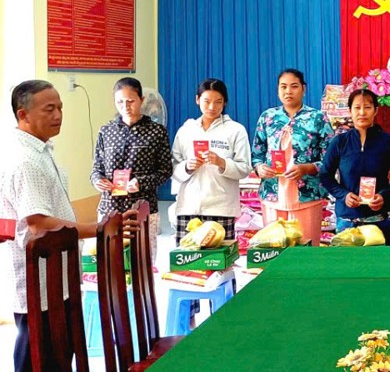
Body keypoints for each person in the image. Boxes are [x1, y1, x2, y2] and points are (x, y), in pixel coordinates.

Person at [1, 80, 135, 372]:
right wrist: (98, 228)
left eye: (60, 108)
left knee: (59, 354)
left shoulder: (40, 149)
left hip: (57, 276)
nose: (58, 115)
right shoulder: (24, 160)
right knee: (39, 355)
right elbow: (38, 224)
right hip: (40, 281)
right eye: (49, 109)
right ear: (23, 114)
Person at [91, 77, 172, 265]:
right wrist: (97, 180)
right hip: (110, 208)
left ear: (142, 100)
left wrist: (141, 182)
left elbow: (165, 171)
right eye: (120, 102)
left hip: (143, 207)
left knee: (143, 262)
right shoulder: (106, 131)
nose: (125, 107)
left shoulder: (156, 131)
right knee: (110, 261)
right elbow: (96, 168)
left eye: (130, 101)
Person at [170, 78, 252, 242]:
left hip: (221, 208)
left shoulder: (235, 130)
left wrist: (222, 163)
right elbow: (172, 167)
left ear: (225, 103)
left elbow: (245, 168)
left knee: (219, 256)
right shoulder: (186, 130)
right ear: (197, 100)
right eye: (206, 101)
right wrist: (187, 166)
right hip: (188, 207)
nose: (211, 107)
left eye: (218, 102)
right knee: (187, 255)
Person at [321, 89, 390, 243]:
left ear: (376, 111)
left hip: (381, 219)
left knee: (381, 258)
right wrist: (344, 195)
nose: (362, 112)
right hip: (347, 220)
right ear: (350, 111)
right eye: (357, 107)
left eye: (367, 107)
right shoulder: (339, 142)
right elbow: (325, 175)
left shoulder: (388, 141)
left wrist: (384, 195)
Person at [251, 68, 333, 210]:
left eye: (294, 86)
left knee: (305, 226)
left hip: (308, 195)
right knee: (274, 226)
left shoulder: (318, 118)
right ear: (278, 90)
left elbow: (331, 159)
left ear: (303, 89)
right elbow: (256, 155)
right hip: (272, 193)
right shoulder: (268, 117)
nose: (288, 91)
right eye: (283, 87)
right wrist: (259, 168)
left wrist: (307, 168)